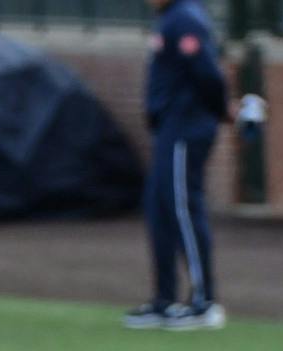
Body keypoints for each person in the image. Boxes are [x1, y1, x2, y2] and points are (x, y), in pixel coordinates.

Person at [123, 0, 229, 332]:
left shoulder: (185, 17)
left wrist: (223, 109)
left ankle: (204, 302)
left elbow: (208, 74)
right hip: (169, 128)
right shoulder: (170, 17)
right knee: (159, 208)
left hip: (186, 126)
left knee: (183, 208)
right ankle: (164, 299)